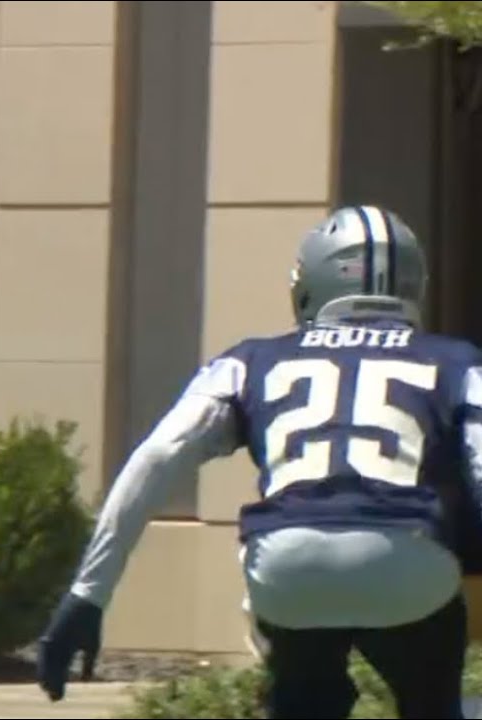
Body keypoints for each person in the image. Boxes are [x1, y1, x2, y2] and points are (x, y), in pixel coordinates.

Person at [35, 205, 482, 719]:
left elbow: (157, 457)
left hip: (288, 569)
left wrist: (89, 593)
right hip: (408, 569)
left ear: (309, 281)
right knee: (431, 690)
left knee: (303, 689)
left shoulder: (249, 360)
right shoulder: (455, 360)